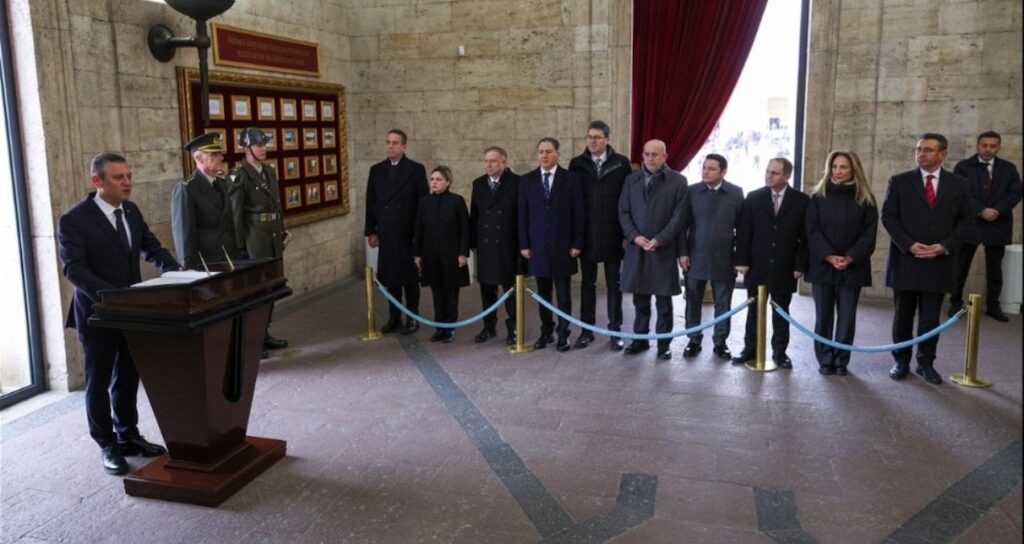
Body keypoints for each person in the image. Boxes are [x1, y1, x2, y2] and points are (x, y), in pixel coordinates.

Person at [58, 153, 181, 475]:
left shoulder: (131, 210)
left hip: (131, 312)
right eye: (118, 177)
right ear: (97, 181)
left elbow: (152, 248)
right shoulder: (74, 220)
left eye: (128, 175)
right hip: (97, 312)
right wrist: (113, 297)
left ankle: (128, 435)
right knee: (99, 380)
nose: (127, 182)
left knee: (128, 375)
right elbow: (74, 269)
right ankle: (107, 444)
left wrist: (179, 273)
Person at [882, 133, 973, 385]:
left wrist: (944, 246)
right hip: (906, 261)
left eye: (928, 150)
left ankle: (926, 363)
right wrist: (909, 245)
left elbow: (966, 221)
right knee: (903, 316)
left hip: (939, 262)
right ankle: (901, 361)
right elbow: (889, 216)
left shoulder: (959, 184)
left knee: (931, 318)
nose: (921, 154)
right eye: (919, 149)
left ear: (943, 154)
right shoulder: (899, 182)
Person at [804, 151, 878, 376]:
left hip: (853, 266)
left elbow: (869, 235)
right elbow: (812, 231)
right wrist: (829, 256)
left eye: (843, 167)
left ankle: (841, 361)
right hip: (823, 265)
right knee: (823, 316)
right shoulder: (818, 196)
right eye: (835, 166)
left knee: (846, 317)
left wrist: (850, 257)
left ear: (854, 169)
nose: (838, 171)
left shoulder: (865, 198)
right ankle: (825, 359)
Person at [733, 158, 809, 369]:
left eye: (775, 173)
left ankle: (780, 352)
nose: (769, 176)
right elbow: (744, 231)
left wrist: (800, 265)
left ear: (787, 175)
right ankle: (749, 349)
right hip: (756, 265)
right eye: (768, 171)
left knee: (781, 311)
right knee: (753, 310)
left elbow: (805, 238)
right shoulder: (754, 197)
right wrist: (742, 261)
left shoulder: (802, 201)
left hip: (785, 267)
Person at [618, 140, 689, 359]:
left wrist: (660, 239)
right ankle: (639, 339)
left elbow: (679, 217)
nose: (650, 158)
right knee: (640, 299)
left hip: (663, 250)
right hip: (637, 248)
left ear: (665, 157)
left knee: (663, 301)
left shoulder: (678, 181)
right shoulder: (631, 180)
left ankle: (663, 343)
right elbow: (623, 211)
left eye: (655, 155)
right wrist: (634, 236)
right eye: (647, 154)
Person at [569, 120, 632, 350]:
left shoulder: (621, 163)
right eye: (589, 137)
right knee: (588, 284)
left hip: (613, 233)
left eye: (597, 137)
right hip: (586, 234)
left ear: (607, 139)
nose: (592, 141)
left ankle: (615, 330)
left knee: (614, 284)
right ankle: (587, 331)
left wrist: (626, 234)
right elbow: (573, 201)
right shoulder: (577, 164)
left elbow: (626, 200)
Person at [518, 137, 584, 351]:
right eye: (541, 152)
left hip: (563, 247)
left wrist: (577, 243)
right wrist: (524, 244)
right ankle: (546, 332)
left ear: (557, 154)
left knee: (563, 293)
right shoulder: (527, 180)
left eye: (548, 151)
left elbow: (579, 213)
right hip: (538, 247)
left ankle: (564, 334)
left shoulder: (571, 179)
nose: (544, 155)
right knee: (543, 294)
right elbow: (522, 215)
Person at [950, 131, 1023, 321]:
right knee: (960, 266)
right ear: (978, 146)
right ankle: (955, 303)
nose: (988, 149)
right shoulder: (963, 167)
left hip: (998, 223)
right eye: (984, 145)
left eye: (992, 146)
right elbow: (960, 193)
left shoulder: (1008, 168)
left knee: (995, 270)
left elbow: (1016, 193)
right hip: (970, 223)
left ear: (998, 147)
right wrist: (981, 210)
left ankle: (993, 306)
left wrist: (997, 210)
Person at [229, 127, 289, 356]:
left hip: (271, 236)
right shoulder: (239, 175)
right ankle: (253, 340)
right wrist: (240, 248)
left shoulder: (269, 172)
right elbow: (236, 215)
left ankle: (264, 333)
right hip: (254, 239)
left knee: (271, 288)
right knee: (256, 292)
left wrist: (281, 231)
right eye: (259, 145)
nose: (264, 149)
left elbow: (276, 204)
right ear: (246, 148)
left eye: (265, 145)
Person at [680, 154, 744, 360]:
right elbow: (682, 225)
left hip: (724, 258)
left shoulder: (735, 193)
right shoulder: (691, 192)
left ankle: (720, 342)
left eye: (711, 168)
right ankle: (693, 340)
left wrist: (739, 258)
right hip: (695, 257)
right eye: (704, 167)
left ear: (723, 172)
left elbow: (742, 229)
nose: (706, 172)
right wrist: (682, 253)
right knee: (692, 301)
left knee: (723, 303)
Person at [365, 129, 429, 335]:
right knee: (390, 278)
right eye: (388, 142)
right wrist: (371, 231)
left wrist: (421, 233)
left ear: (404, 146)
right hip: (386, 232)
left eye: (394, 143)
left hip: (408, 233)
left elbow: (423, 203)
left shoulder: (416, 170)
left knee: (410, 279)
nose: (390, 146)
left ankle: (412, 317)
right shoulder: (376, 170)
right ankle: (394, 317)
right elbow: (371, 202)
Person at [469, 147, 521, 345]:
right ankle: (488, 327)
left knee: (510, 290)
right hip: (485, 243)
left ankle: (514, 328)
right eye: (486, 161)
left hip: (508, 243)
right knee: (487, 289)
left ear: (503, 162)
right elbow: (475, 215)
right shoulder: (478, 183)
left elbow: (521, 215)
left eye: (493, 161)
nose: (488, 165)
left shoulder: (517, 182)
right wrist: (473, 243)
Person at [414, 166, 470, 343]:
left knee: (451, 293)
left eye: (438, 179)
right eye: (432, 179)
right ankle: (440, 328)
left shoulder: (457, 201)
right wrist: (417, 254)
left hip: (451, 255)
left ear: (448, 182)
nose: (434, 183)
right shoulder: (424, 202)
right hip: (431, 255)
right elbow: (418, 230)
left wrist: (463, 253)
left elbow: (465, 229)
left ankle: (450, 328)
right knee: (436, 293)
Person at [170, 132, 239, 271]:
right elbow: (184, 237)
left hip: (228, 261)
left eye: (220, 153)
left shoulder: (222, 184)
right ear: (199, 158)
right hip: (205, 266)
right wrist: (190, 270)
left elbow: (229, 227)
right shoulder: (187, 188)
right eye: (214, 154)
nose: (221, 157)